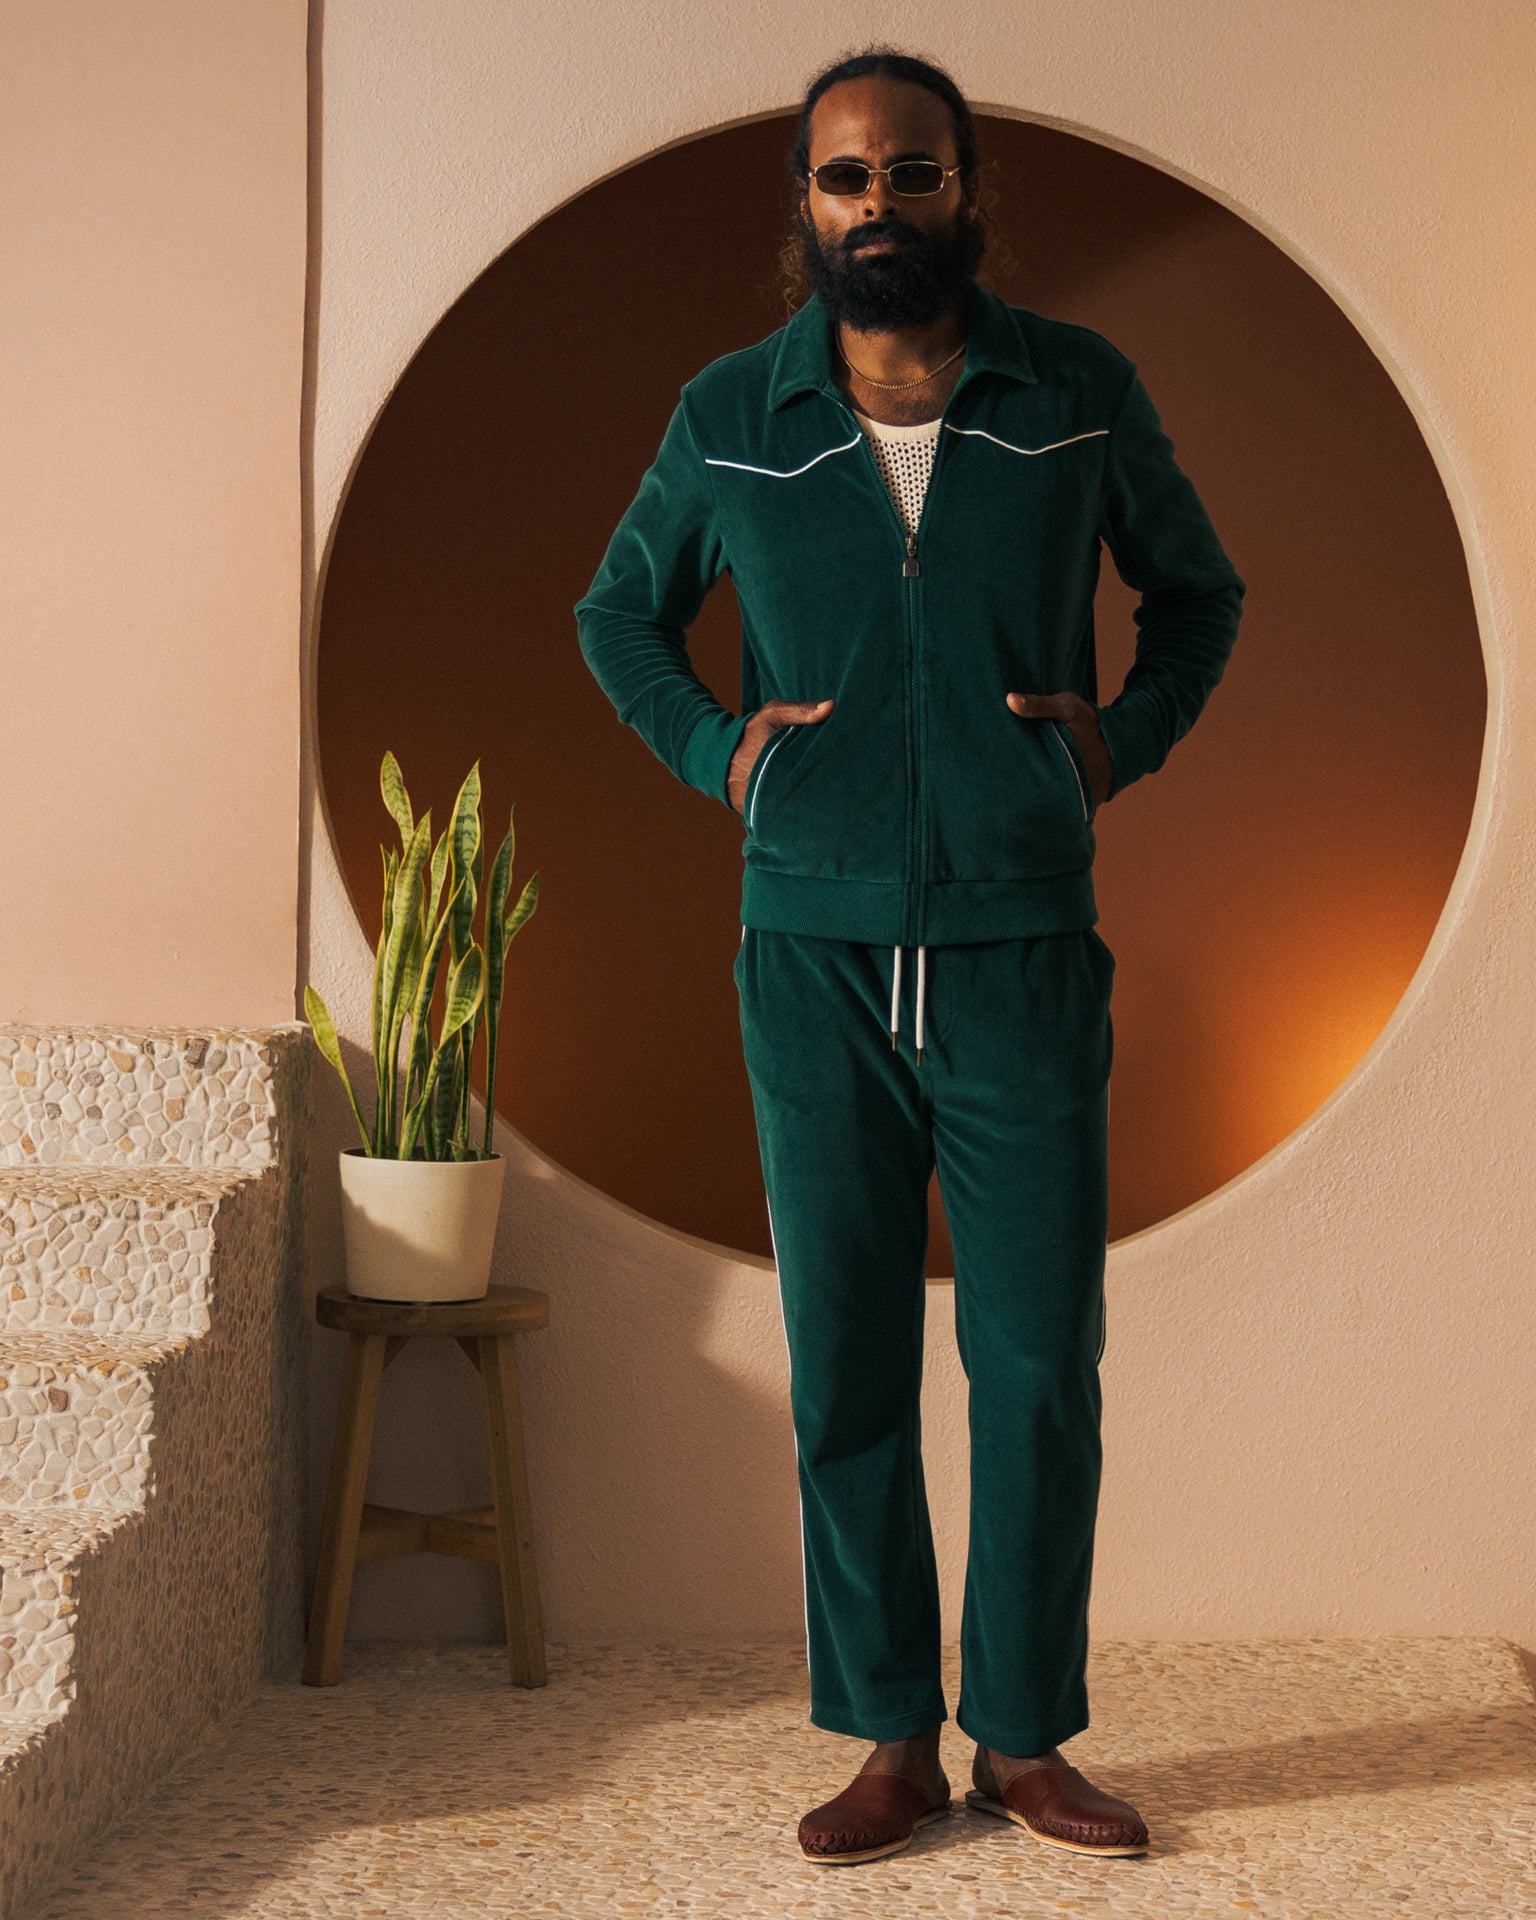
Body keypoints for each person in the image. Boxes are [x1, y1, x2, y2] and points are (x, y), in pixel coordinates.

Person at [575, 43, 1245, 1868]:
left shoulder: (1076, 391)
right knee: (845, 1359)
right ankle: (890, 1735)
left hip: (1024, 947)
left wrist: (1110, 738)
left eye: (915, 174)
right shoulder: (733, 411)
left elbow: (1200, 593)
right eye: (848, 178)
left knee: (1037, 1359)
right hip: (811, 955)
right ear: (804, 208)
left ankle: (1023, 1736)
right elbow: (618, 614)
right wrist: (725, 752)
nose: (882, 206)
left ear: (967, 195)